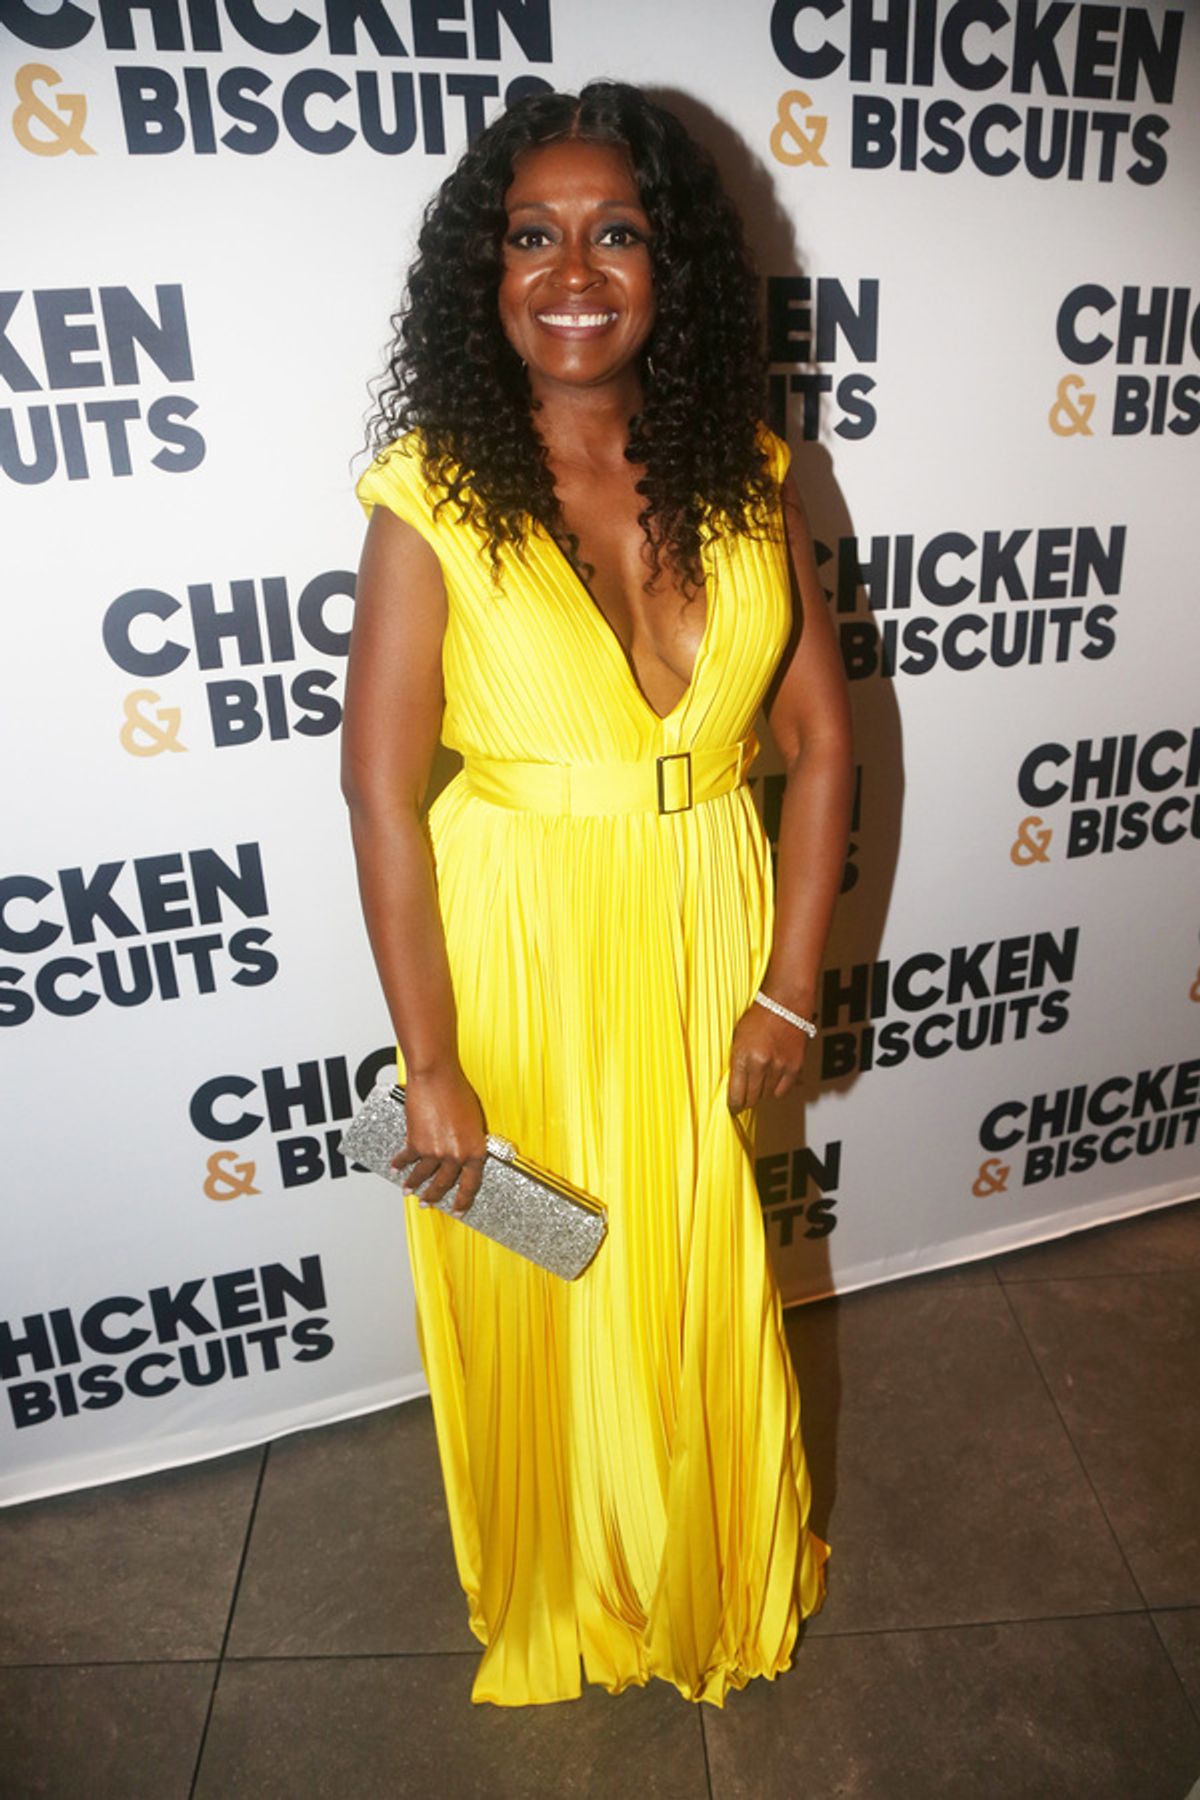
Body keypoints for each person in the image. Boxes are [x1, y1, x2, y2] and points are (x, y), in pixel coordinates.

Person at [341, 80, 853, 1708]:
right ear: (485, 279)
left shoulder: (751, 470)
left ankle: (702, 1569)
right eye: (533, 237)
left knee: (697, 1270)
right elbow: (376, 786)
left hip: (706, 926)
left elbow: (824, 746)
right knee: (551, 1267)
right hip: (520, 945)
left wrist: (791, 983)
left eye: (614, 232)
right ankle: (573, 1585)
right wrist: (430, 1061)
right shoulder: (433, 493)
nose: (575, 270)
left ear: (670, 266)